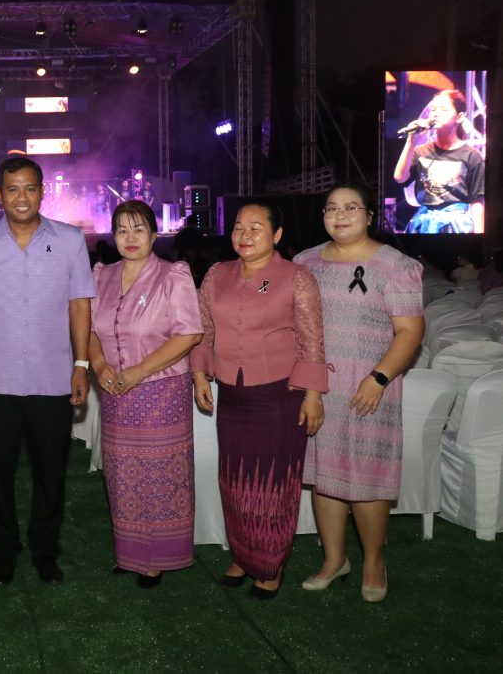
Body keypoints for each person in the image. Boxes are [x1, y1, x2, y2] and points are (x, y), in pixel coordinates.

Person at [0, 156, 95, 585]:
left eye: (30, 188)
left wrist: (81, 365)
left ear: (42, 191)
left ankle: (45, 549)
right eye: (12, 189)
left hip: (51, 376)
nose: (22, 197)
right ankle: (4, 550)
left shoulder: (71, 240)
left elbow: (79, 304)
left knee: (50, 470)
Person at [294, 183, 424, 603]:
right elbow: (266, 293)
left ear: (370, 216)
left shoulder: (394, 265)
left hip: (371, 388)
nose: (340, 214)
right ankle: (334, 560)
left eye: (352, 207)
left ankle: (373, 561)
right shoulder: (304, 261)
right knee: (324, 475)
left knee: (368, 477)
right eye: (331, 208)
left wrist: (380, 377)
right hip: (318, 388)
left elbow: (410, 330)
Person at [191, 200, 328, 599]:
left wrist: (313, 395)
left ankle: (268, 564)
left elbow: (312, 339)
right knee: (234, 481)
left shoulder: (295, 277)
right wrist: (200, 372)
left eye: (256, 228)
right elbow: (203, 330)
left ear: (277, 235)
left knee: (271, 485)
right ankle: (243, 555)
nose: (245, 235)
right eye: (238, 227)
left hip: (278, 395)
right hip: (232, 395)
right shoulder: (218, 273)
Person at [89, 200, 203, 588]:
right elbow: (89, 331)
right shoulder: (101, 275)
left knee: (159, 475)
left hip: (160, 389)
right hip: (115, 390)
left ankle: (159, 557)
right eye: (122, 230)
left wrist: (139, 371)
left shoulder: (173, 275)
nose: (130, 237)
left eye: (139, 229)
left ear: (155, 234)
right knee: (123, 475)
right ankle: (130, 553)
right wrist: (100, 366)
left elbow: (189, 333)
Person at [393, 89, 485, 233]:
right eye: (433, 109)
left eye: (444, 109)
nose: (435, 113)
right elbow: (399, 178)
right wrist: (411, 140)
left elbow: (477, 201)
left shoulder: (472, 156)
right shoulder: (420, 151)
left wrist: (480, 239)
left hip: (457, 226)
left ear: (459, 117)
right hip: (424, 223)